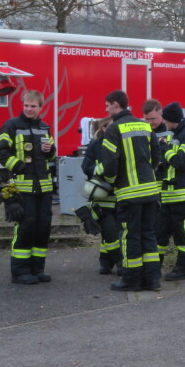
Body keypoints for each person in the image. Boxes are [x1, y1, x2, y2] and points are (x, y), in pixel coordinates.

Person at [95, 90, 162, 292]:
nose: (106, 109)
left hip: (129, 193)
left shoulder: (113, 129)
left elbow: (108, 165)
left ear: (116, 105)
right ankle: (152, 280)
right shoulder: (144, 125)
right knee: (148, 234)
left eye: (107, 105)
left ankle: (130, 279)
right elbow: (157, 155)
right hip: (150, 191)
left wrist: (106, 179)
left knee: (130, 237)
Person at [0, 89, 56, 284]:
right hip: (23, 189)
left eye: (33, 106)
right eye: (26, 105)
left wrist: (50, 151)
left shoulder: (45, 127)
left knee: (42, 229)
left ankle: (37, 269)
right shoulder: (11, 125)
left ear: (40, 107)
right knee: (25, 228)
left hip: (44, 189)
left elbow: (51, 156)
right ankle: (20, 272)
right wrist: (18, 166)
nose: (29, 109)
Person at [158, 102, 185, 281]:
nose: (164, 123)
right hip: (170, 194)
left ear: (171, 119)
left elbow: (182, 162)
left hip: (184, 194)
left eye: (165, 119)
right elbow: (172, 162)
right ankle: (154, 267)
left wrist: (165, 150)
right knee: (161, 233)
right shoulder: (177, 134)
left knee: (183, 233)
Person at [81, 117, 122, 275]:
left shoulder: (121, 144)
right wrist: (102, 170)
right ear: (104, 129)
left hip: (118, 195)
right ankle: (120, 262)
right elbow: (86, 166)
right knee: (110, 232)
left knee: (113, 232)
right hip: (101, 198)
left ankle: (105, 263)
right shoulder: (95, 145)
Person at [142, 98, 173, 266]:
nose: (150, 122)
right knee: (153, 227)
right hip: (150, 186)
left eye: (153, 118)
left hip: (168, 185)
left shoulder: (171, 132)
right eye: (147, 119)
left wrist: (164, 162)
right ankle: (153, 262)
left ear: (161, 113)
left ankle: (156, 262)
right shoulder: (144, 131)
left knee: (163, 228)